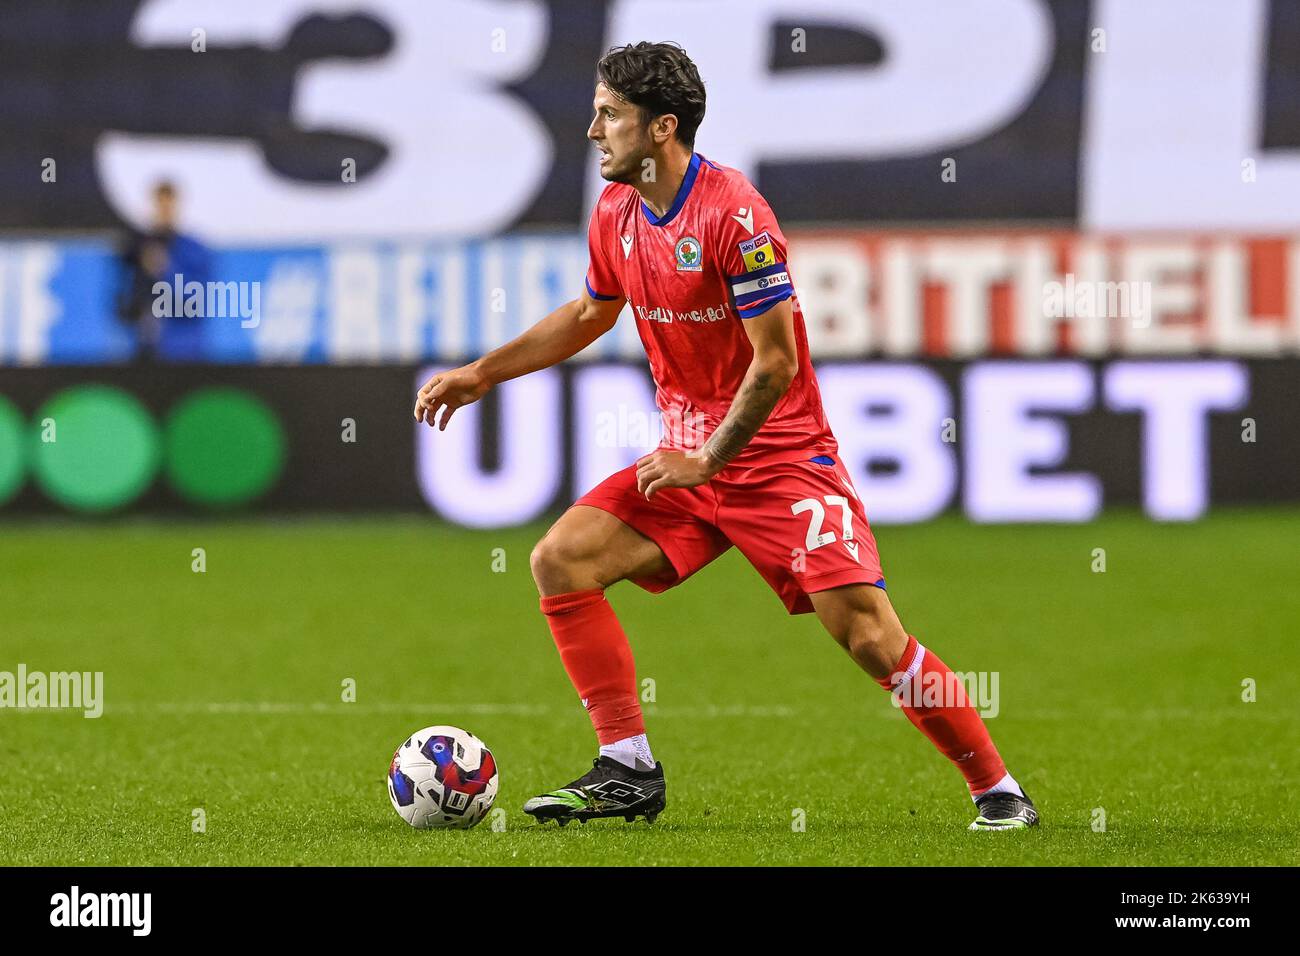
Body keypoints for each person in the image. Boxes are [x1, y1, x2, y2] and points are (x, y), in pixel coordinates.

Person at [415, 42, 1039, 831]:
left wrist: (707, 458)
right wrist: (482, 374)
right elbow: (588, 314)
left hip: (779, 460)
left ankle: (999, 791)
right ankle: (628, 767)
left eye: (610, 114)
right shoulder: (616, 209)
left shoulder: (734, 216)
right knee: (561, 559)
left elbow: (775, 364)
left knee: (871, 637)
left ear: (661, 128)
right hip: (689, 461)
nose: (593, 129)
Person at [116, 180, 210, 362]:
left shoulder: (193, 250)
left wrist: (165, 271)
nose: (164, 211)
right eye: (159, 204)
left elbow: (194, 302)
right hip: (144, 348)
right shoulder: (139, 248)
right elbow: (125, 299)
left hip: (182, 350)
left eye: (168, 205)